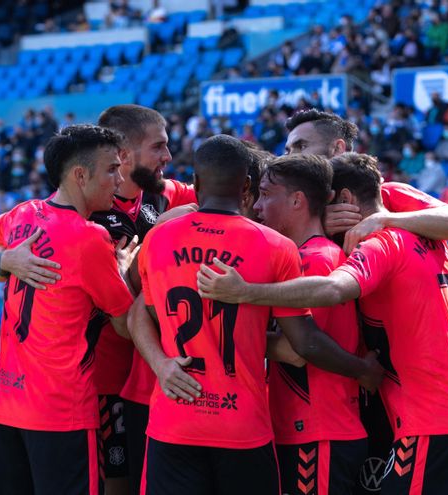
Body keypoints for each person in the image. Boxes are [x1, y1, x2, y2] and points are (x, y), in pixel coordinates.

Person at [197, 152, 448, 495]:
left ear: (346, 200)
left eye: (327, 204)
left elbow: (334, 289)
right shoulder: (424, 229)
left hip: (428, 419)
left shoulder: (380, 241)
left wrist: (246, 293)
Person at [129, 136, 382, 495]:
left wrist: (160, 362)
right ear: (246, 185)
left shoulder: (159, 238)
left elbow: (140, 313)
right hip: (243, 425)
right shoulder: (276, 246)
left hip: (175, 418)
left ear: (196, 183)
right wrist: (364, 369)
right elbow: (302, 345)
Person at [0, 105, 195, 495]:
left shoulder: (164, 194)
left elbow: (227, 195)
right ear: (124, 156)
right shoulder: (88, 226)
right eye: (159, 147)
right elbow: (123, 314)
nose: (169, 157)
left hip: (43, 389)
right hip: (87, 384)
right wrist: (2, 259)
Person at [0, 124, 134, 495]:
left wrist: (2, 259)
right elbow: (125, 325)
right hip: (60, 411)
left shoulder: (22, 214)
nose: (119, 179)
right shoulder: (90, 238)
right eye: (111, 169)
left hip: (5, 401)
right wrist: (125, 269)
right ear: (80, 175)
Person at [252, 154, 368, 495]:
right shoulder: (317, 254)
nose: (257, 206)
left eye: (265, 194)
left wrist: (233, 333)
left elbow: (295, 350)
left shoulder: (312, 259)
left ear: (297, 201)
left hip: (317, 433)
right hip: (312, 431)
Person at [281, 109, 448, 253]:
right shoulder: (282, 206)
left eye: (302, 146)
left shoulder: (383, 194)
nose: (291, 157)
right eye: (288, 150)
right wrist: (317, 228)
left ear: (337, 149)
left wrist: (383, 219)